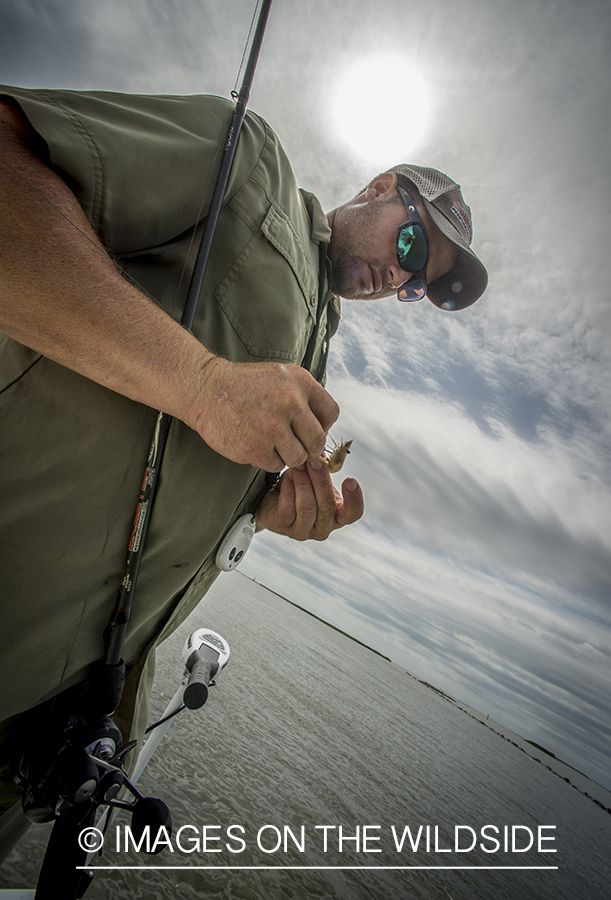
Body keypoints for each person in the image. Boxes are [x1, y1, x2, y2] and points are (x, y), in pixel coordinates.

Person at [0, 87, 488, 810]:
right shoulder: (251, 161)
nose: (399, 277)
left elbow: (187, 471)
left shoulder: (318, 352)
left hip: (52, 734)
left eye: (415, 285)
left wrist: (263, 513)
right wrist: (199, 383)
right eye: (411, 246)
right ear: (380, 188)